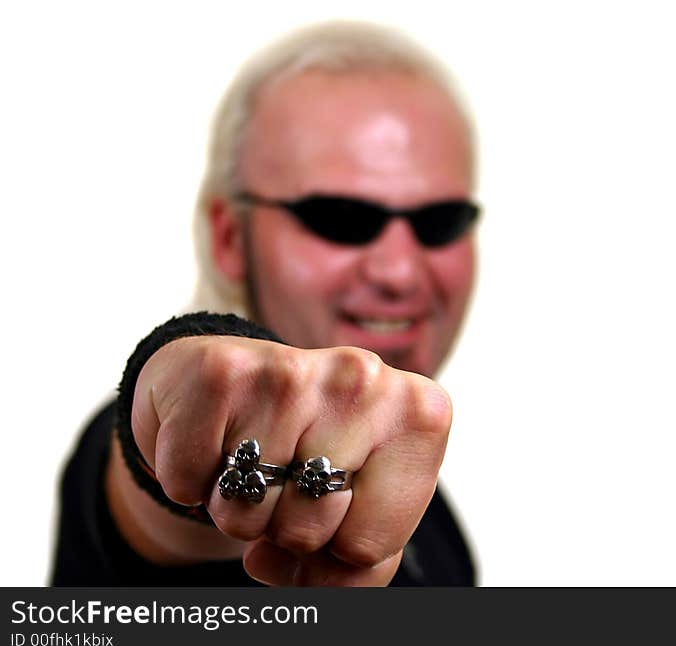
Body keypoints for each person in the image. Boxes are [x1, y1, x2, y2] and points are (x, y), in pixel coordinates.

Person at [51, 20, 479, 587]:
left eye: (439, 222)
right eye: (340, 220)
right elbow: (162, 471)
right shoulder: (140, 457)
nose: (399, 270)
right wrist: (172, 393)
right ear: (230, 238)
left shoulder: (416, 490)